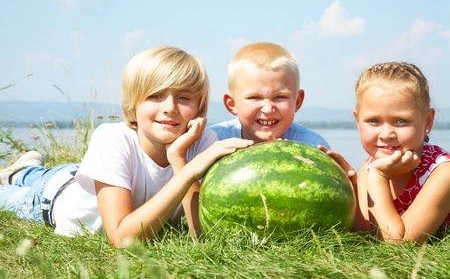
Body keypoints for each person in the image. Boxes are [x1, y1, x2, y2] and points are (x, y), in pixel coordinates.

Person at [0, 46, 254, 247]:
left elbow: (200, 234)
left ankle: (25, 169)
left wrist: (179, 159)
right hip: (50, 197)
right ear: (133, 103)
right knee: (17, 193)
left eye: (184, 97)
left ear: (199, 106)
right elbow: (122, 239)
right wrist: (188, 174)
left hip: (81, 176)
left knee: (48, 174)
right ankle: (23, 173)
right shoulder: (111, 137)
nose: (170, 107)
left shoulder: (204, 142)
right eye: (155, 96)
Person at [319, 62, 450, 244]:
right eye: (373, 121)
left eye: (401, 121)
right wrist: (352, 184)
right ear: (357, 121)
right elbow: (366, 234)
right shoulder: (371, 164)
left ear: (427, 122)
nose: (386, 134)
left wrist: (378, 177)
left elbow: (399, 246)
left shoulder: (442, 173)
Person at [208, 42, 329, 147]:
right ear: (232, 104)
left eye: (279, 97)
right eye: (255, 97)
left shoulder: (313, 146)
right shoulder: (212, 142)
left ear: (297, 101)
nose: (268, 109)